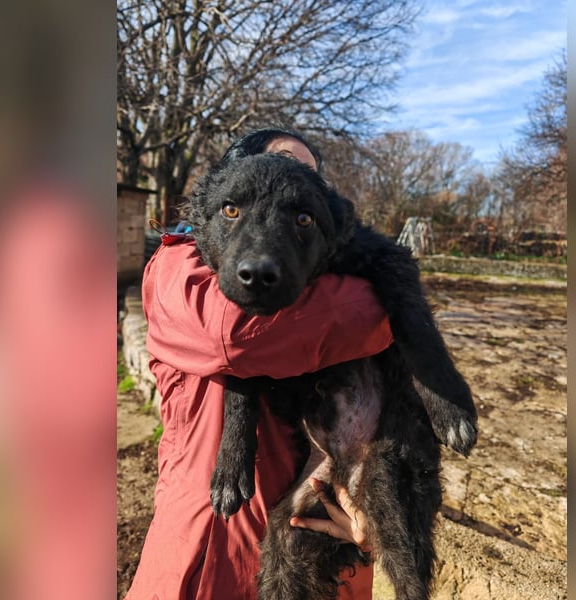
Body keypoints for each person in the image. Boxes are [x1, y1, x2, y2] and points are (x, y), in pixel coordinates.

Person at [125, 127, 392, 600]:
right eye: (279, 163)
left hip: (319, 549)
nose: (288, 180)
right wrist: (393, 304)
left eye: (307, 181)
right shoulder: (177, 265)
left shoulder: (328, 277)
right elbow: (232, 336)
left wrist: (375, 520)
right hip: (214, 555)